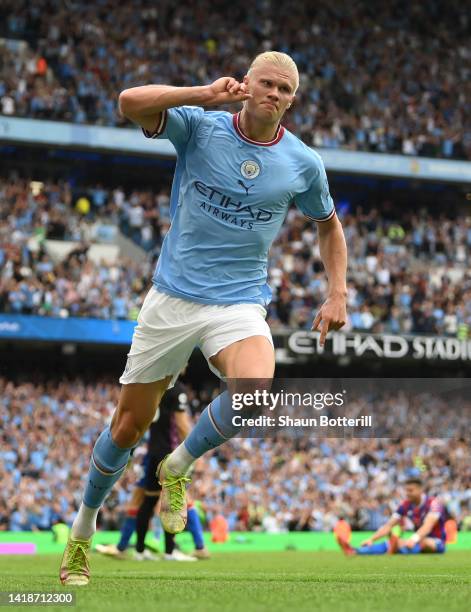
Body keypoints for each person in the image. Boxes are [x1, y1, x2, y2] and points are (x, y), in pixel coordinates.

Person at [60, 50, 347, 585]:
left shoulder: (302, 162)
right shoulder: (201, 125)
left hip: (237, 302)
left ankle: (177, 466)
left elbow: (328, 225)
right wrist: (200, 94)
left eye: (287, 90)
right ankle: (82, 531)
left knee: (257, 389)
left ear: (293, 98)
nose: (276, 95)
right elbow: (127, 103)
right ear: (248, 82)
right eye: (268, 84)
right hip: (172, 298)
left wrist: (338, 292)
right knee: (127, 427)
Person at [96, 382, 208, 561]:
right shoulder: (176, 390)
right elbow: (181, 424)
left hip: (151, 452)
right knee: (171, 500)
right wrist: (196, 453)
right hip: (168, 453)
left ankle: (136, 549)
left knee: (146, 500)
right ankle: (174, 551)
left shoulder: (153, 386)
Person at [337, 478, 447, 555]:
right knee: (395, 543)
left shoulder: (433, 503)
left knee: (420, 542)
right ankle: (355, 551)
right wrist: (371, 539)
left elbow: (427, 526)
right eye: (406, 490)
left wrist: (413, 539)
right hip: (416, 540)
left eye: (411, 490)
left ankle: (397, 548)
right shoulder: (406, 504)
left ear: (420, 490)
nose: (407, 493)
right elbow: (389, 525)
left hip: (436, 542)